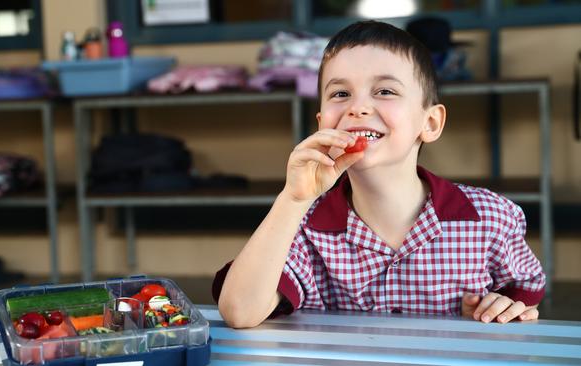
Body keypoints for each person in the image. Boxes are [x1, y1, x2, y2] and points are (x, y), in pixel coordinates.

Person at [212, 20, 545, 328]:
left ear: (429, 123)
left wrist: (506, 308)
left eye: (385, 91)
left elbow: (523, 297)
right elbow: (240, 312)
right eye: (340, 94)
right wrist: (293, 198)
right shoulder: (300, 225)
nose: (357, 108)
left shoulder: (492, 217)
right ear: (321, 123)